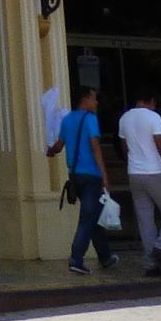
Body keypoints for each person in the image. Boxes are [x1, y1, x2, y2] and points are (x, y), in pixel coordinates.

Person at [47, 84, 118, 274]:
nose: (95, 102)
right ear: (84, 99)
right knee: (88, 218)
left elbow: (59, 145)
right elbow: (95, 147)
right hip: (91, 176)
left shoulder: (67, 119)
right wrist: (104, 174)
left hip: (75, 176)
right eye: (93, 98)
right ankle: (76, 258)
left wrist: (51, 150)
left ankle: (105, 257)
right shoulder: (90, 119)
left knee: (94, 216)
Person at [117, 82, 161, 277]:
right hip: (154, 171)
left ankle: (150, 264)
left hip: (135, 174)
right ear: (151, 101)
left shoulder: (124, 118)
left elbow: (124, 147)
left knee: (145, 219)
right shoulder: (154, 117)